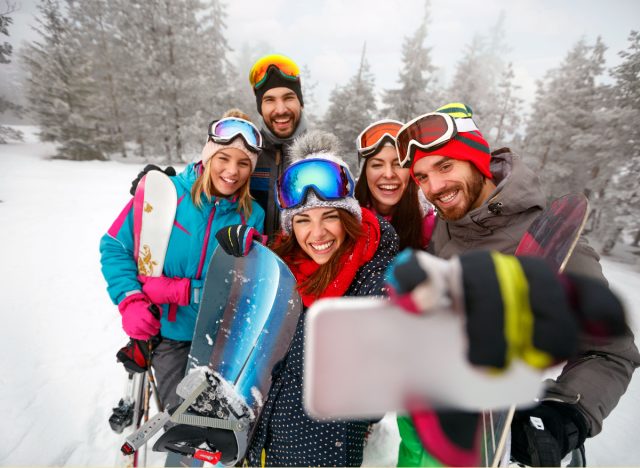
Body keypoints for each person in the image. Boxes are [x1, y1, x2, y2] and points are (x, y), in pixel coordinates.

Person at [391, 102, 640, 466]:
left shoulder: (552, 241)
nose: (435, 187)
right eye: (422, 177)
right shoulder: (446, 226)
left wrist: (567, 415)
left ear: (476, 160)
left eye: (445, 166)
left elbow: (610, 351)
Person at [219, 131, 399, 466]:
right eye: (303, 220)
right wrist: (251, 259)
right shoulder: (287, 271)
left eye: (330, 216)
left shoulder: (376, 284)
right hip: (267, 439)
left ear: (349, 217)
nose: (317, 234)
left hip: (322, 452)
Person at [100, 116, 265, 411]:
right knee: (183, 417)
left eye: (243, 163)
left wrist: (182, 290)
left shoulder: (252, 215)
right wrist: (130, 299)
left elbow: (253, 278)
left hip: (221, 338)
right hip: (170, 335)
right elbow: (115, 246)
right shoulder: (167, 195)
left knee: (228, 420)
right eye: (223, 158)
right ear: (208, 155)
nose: (232, 171)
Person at [248, 54, 309, 238]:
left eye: (288, 97)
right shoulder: (246, 154)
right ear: (260, 107)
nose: (281, 109)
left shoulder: (320, 156)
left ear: (300, 101)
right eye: (270, 100)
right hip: (252, 262)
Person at [354, 119, 435, 250]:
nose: (389, 174)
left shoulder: (429, 226)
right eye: (377, 165)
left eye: (399, 164)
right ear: (364, 173)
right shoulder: (346, 221)